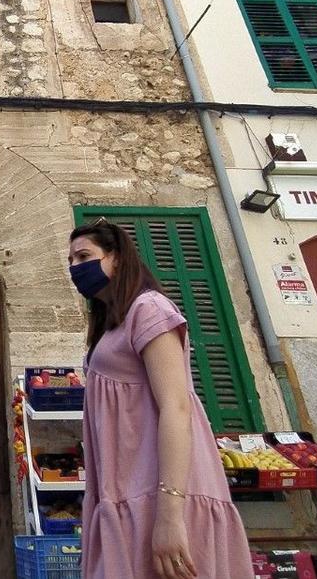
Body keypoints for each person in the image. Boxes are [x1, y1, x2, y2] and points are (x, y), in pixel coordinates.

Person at [68, 220, 253, 579]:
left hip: (159, 490)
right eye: (71, 260)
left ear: (117, 259)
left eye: (85, 256)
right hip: (125, 489)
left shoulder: (148, 309)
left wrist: (170, 514)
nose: (76, 267)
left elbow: (176, 406)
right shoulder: (111, 324)